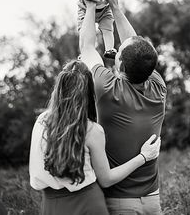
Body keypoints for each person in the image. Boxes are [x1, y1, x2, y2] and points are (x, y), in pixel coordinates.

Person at [29, 59, 161, 215]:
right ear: (89, 92)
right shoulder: (91, 130)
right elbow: (106, 179)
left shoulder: (41, 121)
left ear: (59, 88)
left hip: (51, 205)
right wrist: (143, 157)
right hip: (87, 203)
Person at [79, 0, 167, 215]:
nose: (117, 49)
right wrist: (115, 6)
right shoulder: (158, 88)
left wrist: (90, 5)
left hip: (119, 201)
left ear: (121, 67)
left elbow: (87, 47)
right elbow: (135, 45)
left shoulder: (107, 89)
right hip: (152, 199)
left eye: (118, 54)